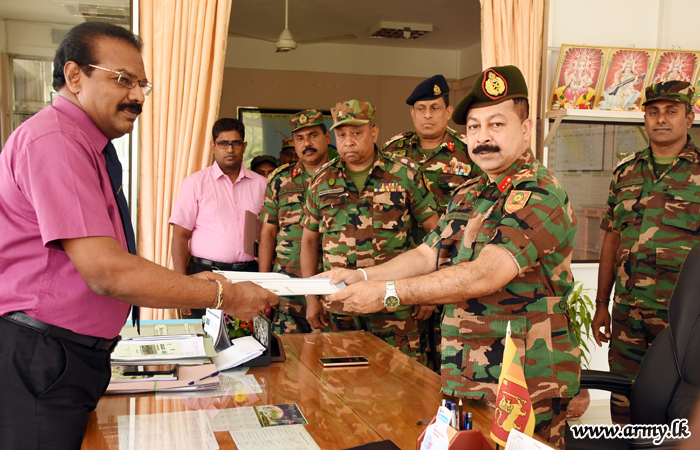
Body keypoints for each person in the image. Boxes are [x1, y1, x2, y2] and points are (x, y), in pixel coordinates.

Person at [0, 22, 277, 450]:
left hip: (67, 353)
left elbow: (111, 255)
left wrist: (196, 285)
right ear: (75, 77)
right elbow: (107, 271)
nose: (138, 96)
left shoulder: (86, 143)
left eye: (142, 84)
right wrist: (225, 297)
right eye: (123, 80)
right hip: (43, 352)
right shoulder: (56, 140)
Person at [323, 67, 580, 449]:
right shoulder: (469, 191)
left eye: (496, 124)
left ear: (526, 130)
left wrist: (388, 293)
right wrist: (363, 276)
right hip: (465, 372)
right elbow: (428, 253)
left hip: (524, 381)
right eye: (474, 127)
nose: (483, 137)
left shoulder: (541, 194)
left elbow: (486, 274)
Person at [591, 80, 698, 424]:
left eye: (671, 111)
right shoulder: (625, 172)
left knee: (679, 413)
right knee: (625, 404)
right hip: (627, 316)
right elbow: (611, 240)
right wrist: (600, 304)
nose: (661, 119)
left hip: (683, 321)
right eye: (653, 112)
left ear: (690, 116)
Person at [300, 100, 439, 362]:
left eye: (356, 133)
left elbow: (436, 234)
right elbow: (308, 242)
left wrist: (428, 291)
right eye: (341, 135)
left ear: (374, 133)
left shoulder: (404, 173)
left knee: (403, 384)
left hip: (394, 304)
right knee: (343, 383)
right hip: (340, 306)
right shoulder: (321, 180)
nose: (348, 141)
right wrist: (311, 298)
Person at [383, 74, 479, 370]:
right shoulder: (393, 151)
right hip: (403, 270)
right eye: (421, 108)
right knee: (404, 362)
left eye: (435, 108)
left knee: (449, 360)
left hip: (454, 273)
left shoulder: (469, 151)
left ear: (448, 112)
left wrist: (433, 289)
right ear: (412, 113)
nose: (428, 115)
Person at [170, 118, 267, 318]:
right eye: (223, 143)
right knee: (208, 341)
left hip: (250, 275)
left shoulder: (262, 185)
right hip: (206, 276)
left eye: (235, 143)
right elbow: (180, 236)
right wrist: (181, 285)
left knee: (251, 341)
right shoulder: (195, 183)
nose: (230, 149)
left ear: (244, 146)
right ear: (213, 146)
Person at [258, 109, 331, 334]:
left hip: (331, 286)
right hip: (287, 288)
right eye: (300, 138)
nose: (306, 143)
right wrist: (264, 285)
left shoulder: (341, 177)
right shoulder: (279, 180)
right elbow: (268, 233)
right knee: (287, 360)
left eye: (313, 136)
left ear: (327, 137)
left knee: (334, 360)